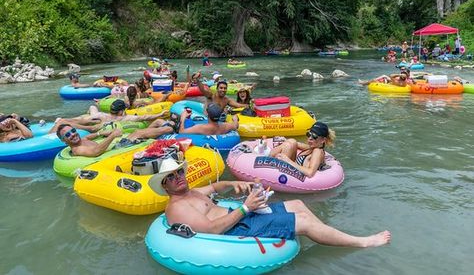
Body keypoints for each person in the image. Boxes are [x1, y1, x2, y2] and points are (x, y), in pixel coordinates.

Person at [148, 160, 391, 248]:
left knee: (296, 202)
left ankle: (326, 233)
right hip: (234, 231)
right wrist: (246, 207)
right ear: (165, 186)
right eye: (171, 177)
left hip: (239, 217)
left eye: (179, 172)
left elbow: (214, 188)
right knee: (303, 222)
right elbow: (212, 230)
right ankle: (361, 242)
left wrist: (235, 184)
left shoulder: (191, 192)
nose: (178, 178)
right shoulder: (177, 207)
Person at [269, 122, 334, 178]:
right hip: (292, 169)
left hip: (293, 177)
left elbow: (310, 173)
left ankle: (266, 160)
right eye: (309, 134)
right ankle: (267, 157)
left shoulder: (318, 152)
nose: (310, 138)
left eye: (314, 136)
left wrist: (287, 160)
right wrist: (285, 140)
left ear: (323, 140)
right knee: (292, 142)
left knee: (289, 144)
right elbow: (296, 143)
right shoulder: (312, 147)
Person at [56, 123, 123, 157]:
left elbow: (87, 137)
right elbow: (95, 151)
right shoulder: (77, 149)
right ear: (63, 140)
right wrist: (113, 135)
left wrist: (100, 133)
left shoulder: (82, 140)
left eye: (73, 130)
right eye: (68, 135)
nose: (73, 134)